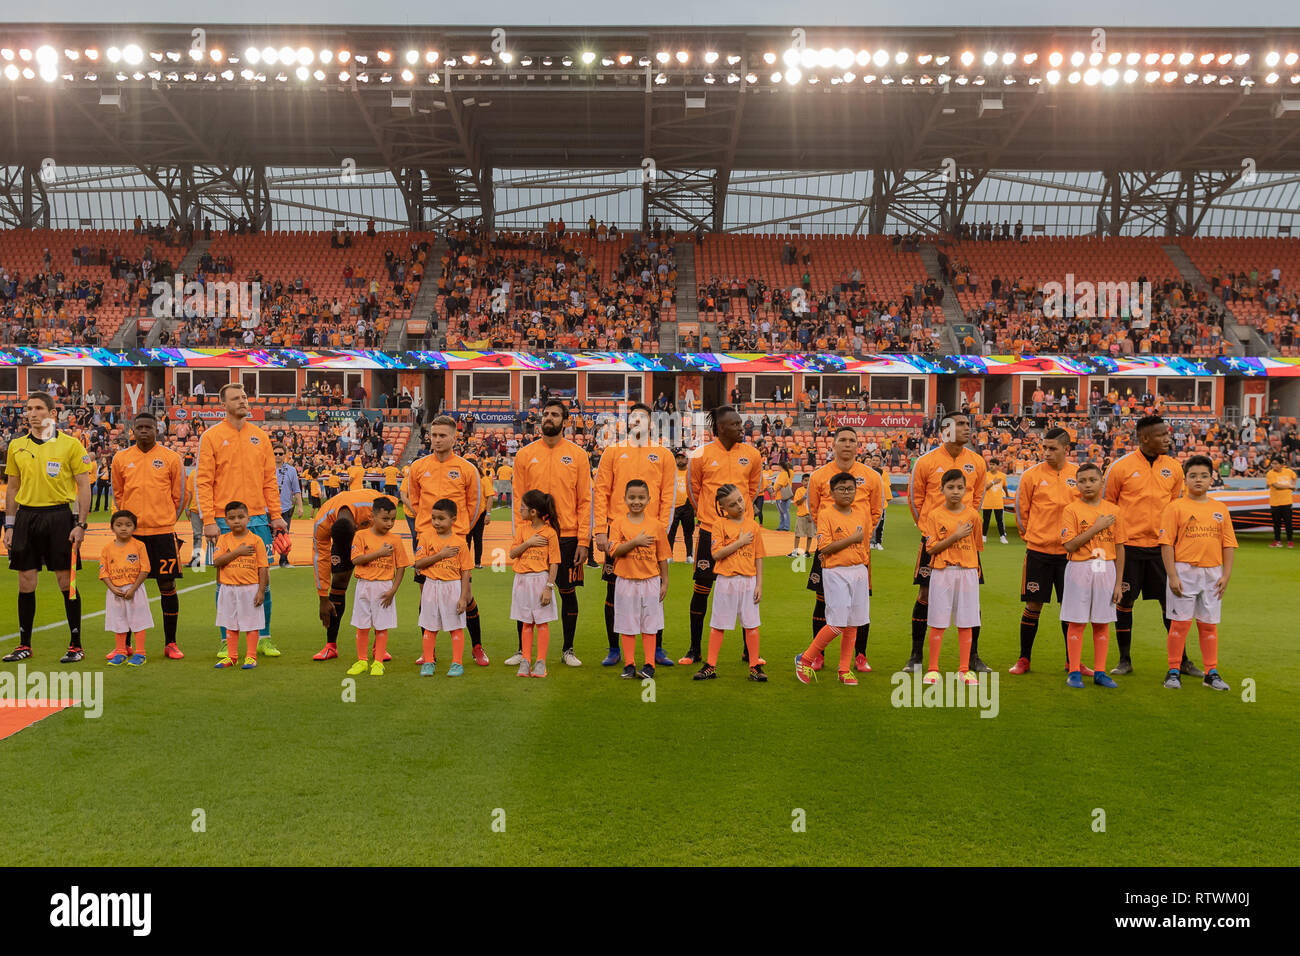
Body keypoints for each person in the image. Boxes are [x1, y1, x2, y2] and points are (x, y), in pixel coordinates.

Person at [196, 384, 286, 658]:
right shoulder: (211, 437)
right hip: (224, 520)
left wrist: (277, 515)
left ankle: (264, 637)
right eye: (236, 398)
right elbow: (203, 481)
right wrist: (209, 520)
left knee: (263, 578)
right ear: (224, 404)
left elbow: (270, 480)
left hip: (258, 518)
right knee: (225, 582)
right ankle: (226, 639)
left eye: (245, 397)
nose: (243, 401)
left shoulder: (260, 436)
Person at [1103, 416, 1198, 677]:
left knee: (1171, 605)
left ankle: (1182, 660)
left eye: (1168, 434)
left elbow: (1175, 507)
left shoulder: (1175, 468)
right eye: (1161, 435)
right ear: (1144, 438)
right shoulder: (1120, 468)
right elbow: (1107, 507)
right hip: (1129, 548)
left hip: (1161, 548)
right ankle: (1124, 659)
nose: (1168, 438)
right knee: (1124, 602)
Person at [3, 392, 93, 663]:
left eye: (39, 408)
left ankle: (75, 645)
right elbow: (13, 488)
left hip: (58, 517)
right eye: (28, 408)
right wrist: (9, 525)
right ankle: (24, 644)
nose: (32, 413)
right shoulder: (16, 446)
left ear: (53, 413)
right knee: (25, 583)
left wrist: (81, 524)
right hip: (26, 518)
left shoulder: (71, 445)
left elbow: (84, 486)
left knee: (66, 583)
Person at [509, 400, 592, 667]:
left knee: (567, 590)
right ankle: (523, 651)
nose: (549, 418)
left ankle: (568, 649)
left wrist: (583, 540)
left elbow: (584, 500)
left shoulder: (578, 455)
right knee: (527, 591)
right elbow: (517, 499)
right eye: (545, 413)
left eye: (555, 414)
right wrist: (519, 534)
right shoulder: (525, 454)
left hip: (567, 535)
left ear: (565, 422)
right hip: (532, 535)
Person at [904, 414, 988, 673]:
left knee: (971, 599)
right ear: (945, 430)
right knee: (925, 594)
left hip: (965, 541)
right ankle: (917, 656)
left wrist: (964, 526)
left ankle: (973, 657)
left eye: (967, 424)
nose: (966, 428)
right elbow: (915, 500)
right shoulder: (926, 461)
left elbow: (977, 501)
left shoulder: (977, 462)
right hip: (935, 540)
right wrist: (931, 531)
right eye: (959, 424)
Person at [593, 403, 675, 668]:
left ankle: (657, 648)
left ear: (651, 423)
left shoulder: (663, 454)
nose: (638, 422)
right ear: (628, 423)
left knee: (653, 591)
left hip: (652, 533)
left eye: (644, 418)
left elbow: (667, 495)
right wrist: (599, 531)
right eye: (634, 418)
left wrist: (661, 531)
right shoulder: (613, 451)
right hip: (618, 531)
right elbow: (601, 491)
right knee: (614, 590)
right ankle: (614, 647)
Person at [681, 405, 762, 665]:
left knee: (744, 590)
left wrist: (740, 520)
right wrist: (710, 517)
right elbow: (694, 492)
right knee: (702, 589)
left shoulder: (752, 454)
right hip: (709, 531)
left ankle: (748, 651)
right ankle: (694, 649)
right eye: (735, 424)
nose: (741, 427)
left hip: (742, 535)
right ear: (721, 428)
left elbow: (753, 489)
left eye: (741, 423)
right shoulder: (701, 455)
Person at [407, 417, 486, 665]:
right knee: (426, 596)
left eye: (443, 435)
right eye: (434, 435)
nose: (437, 439)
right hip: (425, 539)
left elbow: (475, 506)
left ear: (454, 438)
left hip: (456, 541)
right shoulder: (418, 467)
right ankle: (428, 653)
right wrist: (426, 530)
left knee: (466, 594)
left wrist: (460, 532)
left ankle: (477, 647)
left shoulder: (466, 468)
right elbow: (415, 501)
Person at [805, 427, 884, 673]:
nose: (847, 444)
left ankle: (860, 655)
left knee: (860, 605)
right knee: (822, 601)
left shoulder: (871, 476)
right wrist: (833, 537)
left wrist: (860, 539)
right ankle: (818, 655)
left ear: (858, 445)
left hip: (859, 554)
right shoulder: (819, 476)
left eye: (852, 440)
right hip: (829, 549)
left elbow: (876, 511)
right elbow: (814, 510)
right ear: (833, 444)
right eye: (842, 440)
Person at [1157, 455, 1236, 691]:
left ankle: (1211, 672)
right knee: (1179, 624)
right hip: (1184, 571)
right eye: (1193, 476)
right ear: (1185, 479)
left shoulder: (1220, 509)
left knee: (1209, 625)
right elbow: (1166, 543)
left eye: (1203, 475)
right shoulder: (1175, 507)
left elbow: (1228, 544)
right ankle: (1173, 670)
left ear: (1212, 479)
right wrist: (1172, 575)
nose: (1198, 480)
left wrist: (1226, 575)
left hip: (1213, 573)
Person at [111, 411, 186, 659]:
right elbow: (118, 495)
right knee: (127, 587)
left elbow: (180, 496)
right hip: (132, 537)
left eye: (148, 427)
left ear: (158, 430)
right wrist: (125, 526)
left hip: (162, 533)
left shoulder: (170, 458)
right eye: (139, 427)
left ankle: (171, 643)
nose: (144, 431)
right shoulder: (121, 458)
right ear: (132, 430)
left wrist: (166, 519)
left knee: (167, 585)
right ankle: (126, 644)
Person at [1007, 428, 1080, 676]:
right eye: (1044, 448)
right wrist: (1034, 536)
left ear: (1066, 449)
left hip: (1070, 554)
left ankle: (1073, 662)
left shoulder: (1078, 475)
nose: (1047, 453)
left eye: (1053, 448)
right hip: (1039, 552)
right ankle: (1024, 659)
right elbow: (1021, 511)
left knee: (1070, 608)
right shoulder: (1031, 475)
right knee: (1033, 605)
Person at [794, 472, 870, 686]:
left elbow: (865, 542)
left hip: (859, 570)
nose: (847, 493)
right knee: (837, 623)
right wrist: (852, 539)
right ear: (832, 491)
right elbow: (825, 548)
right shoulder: (826, 513)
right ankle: (806, 658)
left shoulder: (861, 512)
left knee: (854, 623)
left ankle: (844, 669)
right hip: (835, 571)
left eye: (850, 489)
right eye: (842, 489)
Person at [1059, 462, 1124, 689]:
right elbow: (1069, 545)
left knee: (1102, 622)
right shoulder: (1071, 510)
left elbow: (1120, 547)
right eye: (1082, 481)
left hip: (1105, 567)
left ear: (1101, 482)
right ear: (1076, 484)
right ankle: (1075, 671)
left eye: (1092, 480)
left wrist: (1119, 583)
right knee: (1076, 622)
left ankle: (1100, 672)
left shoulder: (1114, 510)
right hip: (1080, 567)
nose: (1087, 485)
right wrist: (1096, 527)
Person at [310, 490, 394, 661]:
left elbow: (390, 509)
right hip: (345, 537)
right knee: (339, 579)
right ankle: (330, 646)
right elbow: (321, 559)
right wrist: (322, 597)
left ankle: (379, 646)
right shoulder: (322, 523)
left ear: (356, 527)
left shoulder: (371, 507)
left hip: (372, 537)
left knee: (377, 582)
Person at [919, 469, 983, 686]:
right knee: (937, 621)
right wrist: (955, 536)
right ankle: (933, 669)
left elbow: (975, 546)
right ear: (942, 489)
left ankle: (964, 670)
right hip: (942, 572)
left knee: (966, 623)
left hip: (967, 572)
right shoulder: (935, 515)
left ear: (965, 489)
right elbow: (931, 548)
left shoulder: (973, 515)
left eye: (960, 487)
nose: (956, 492)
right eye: (951, 487)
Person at [697, 483, 765, 681]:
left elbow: (758, 556)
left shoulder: (753, 525)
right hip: (726, 581)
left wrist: (759, 584)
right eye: (732, 504)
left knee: (752, 625)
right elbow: (717, 554)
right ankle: (710, 665)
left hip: (748, 581)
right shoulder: (719, 525)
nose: (739, 506)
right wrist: (740, 542)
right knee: (718, 624)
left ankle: (754, 666)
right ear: (723, 508)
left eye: (740, 500)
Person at [607, 478, 670, 680]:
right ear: (624, 499)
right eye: (632, 497)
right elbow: (614, 551)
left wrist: (665, 581)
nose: (636, 501)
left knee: (650, 623)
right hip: (626, 580)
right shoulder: (618, 523)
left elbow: (662, 556)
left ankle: (649, 664)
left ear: (649, 499)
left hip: (650, 580)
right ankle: (629, 664)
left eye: (641, 498)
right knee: (628, 623)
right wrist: (636, 542)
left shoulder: (656, 525)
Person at [345, 497, 410, 678]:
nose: (389, 523)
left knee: (382, 627)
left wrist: (393, 590)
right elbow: (356, 560)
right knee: (362, 625)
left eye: (392, 520)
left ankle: (378, 663)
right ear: (373, 516)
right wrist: (380, 553)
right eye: (385, 519)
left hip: (384, 587)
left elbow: (402, 566)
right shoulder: (361, 535)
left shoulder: (395, 540)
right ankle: (362, 660)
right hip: (364, 585)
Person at [413, 498, 474, 677]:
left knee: (455, 626)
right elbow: (418, 563)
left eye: (441, 518)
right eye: (433, 518)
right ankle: (428, 661)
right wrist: (441, 555)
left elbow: (465, 572)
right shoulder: (425, 537)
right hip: (431, 586)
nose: (436, 522)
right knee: (430, 626)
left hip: (452, 587)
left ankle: (457, 663)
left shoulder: (460, 543)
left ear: (453, 519)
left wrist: (463, 597)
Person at [508, 489, 562, 678]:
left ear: (533, 512)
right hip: (522, 580)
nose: (520, 509)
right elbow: (512, 554)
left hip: (540, 580)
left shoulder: (550, 533)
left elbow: (554, 562)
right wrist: (529, 543)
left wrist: (549, 587)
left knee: (541, 624)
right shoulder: (523, 530)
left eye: (523, 507)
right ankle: (525, 660)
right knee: (526, 623)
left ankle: (540, 662)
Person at [211, 501, 269, 670]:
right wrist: (237, 552)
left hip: (249, 588)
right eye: (232, 518)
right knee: (230, 623)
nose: (237, 521)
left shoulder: (256, 540)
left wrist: (261, 591)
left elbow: (263, 567)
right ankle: (232, 656)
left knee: (251, 623)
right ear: (226, 521)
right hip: (228, 588)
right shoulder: (223, 539)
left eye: (241, 517)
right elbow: (217, 562)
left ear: (248, 519)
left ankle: (251, 657)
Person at [100, 510, 153, 667]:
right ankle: (121, 652)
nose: (124, 528)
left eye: (128, 525)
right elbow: (104, 571)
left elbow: (145, 569)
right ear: (112, 528)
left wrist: (133, 589)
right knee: (119, 621)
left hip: (134, 590)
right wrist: (112, 588)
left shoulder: (139, 546)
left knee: (138, 620)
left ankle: (140, 653)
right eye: (119, 525)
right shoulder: (107, 549)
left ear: (134, 528)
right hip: (115, 592)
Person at [273, 446, 303, 568]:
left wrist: (300, 506)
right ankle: (264, 560)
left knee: (284, 536)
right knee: (266, 536)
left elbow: (296, 490)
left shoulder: (291, 470)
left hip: (285, 508)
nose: (278, 455)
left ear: (285, 455)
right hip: (268, 509)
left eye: (281, 453)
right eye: (275, 453)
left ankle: (284, 561)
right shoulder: (265, 468)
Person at [666, 449, 695, 562]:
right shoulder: (671, 472)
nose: (680, 460)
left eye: (682, 458)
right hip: (674, 505)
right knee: (671, 532)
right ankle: (669, 555)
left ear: (687, 460)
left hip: (687, 505)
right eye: (678, 458)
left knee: (688, 532)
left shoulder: (690, 473)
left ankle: (689, 555)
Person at [1265, 456, 1296, 548]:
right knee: (1276, 523)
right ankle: (1277, 541)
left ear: (1281, 465)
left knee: (1288, 522)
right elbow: (1276, 485)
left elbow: (1294, 477)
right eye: (1272, 463)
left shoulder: (1288, 471)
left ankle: (1290, 541)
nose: (1273, 465)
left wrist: (1293, 484)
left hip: (1287, 501)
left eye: (1275, 463)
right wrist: (1290, 487)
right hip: (1275, 502)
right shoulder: (1270, 473)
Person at [982, 459, 1008, 544]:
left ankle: (1002, 536)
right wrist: (993, 482)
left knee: (999, 520)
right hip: (987, 501)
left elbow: (1004, 486)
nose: (991, 466)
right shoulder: (985, 475)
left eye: (993, 464)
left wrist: (1007, 494)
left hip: (998, 501)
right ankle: (984, 536)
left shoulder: (1003, 475)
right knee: (986, 520)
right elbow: (984, 488)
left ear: (997, 466)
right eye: (990, 464)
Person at [792, 475, 815, 556]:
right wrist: (804, 496)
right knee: (798, 534)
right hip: (801, 515)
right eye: (805, 480)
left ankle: (807, 551)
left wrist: (811, 515)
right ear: (802, 482)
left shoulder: (813, 491)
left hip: (810, 516)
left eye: (808, 481)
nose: (807, 482)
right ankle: (795, 551)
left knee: (810, 534)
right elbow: (797, 503)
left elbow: (815, 504)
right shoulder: (799, 490)